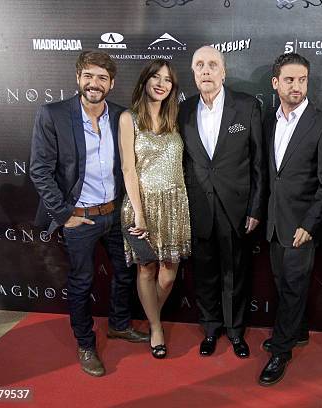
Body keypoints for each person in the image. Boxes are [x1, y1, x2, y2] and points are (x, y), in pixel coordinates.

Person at [30, 51, 149, 377]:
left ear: (111, 83)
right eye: (88, 76)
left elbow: (129, 167)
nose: (93, 83)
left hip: (115, 214)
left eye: (101, 78)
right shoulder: (53, 114)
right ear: (78, 78)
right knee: (82, 282)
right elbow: (40, 170)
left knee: (125, 274)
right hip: (79, 218)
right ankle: (85, 343)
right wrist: (65, 214)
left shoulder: (122, 116)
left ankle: (119, 326)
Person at [258, 53, 322, 386]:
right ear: (275, 83)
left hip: (302, 227)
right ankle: (298, 332)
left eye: (302, 79)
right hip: (275, 223)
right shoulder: (269, 121)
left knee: (292, 287)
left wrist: (310, 224)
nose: (297, 86)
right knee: (283, 283)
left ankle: (281, 350)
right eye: (290, 80)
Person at [178, 46, 263, 358]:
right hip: (198, 207)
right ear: (193, 73)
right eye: (199, 65)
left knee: (236, 273)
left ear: (223, 72)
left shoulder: (247, 106)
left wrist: (255, 207)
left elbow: (258, 163)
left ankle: (236, 331)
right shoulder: (184, 110)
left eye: (213, 65)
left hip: (236, 208)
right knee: (205, 273)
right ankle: (211, 328)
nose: (206, 71)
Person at [119, 59, 191, 359]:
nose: (161, 83)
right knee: (146, 268)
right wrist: (139, 212)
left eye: (168, 80)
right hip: (143, 204)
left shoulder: (177, 120)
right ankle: (157, 330)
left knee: (169, 274)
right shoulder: (129, 118)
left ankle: (152, 318)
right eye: (155, 77)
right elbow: (128, 169)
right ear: (144, 80)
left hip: (175, 204)